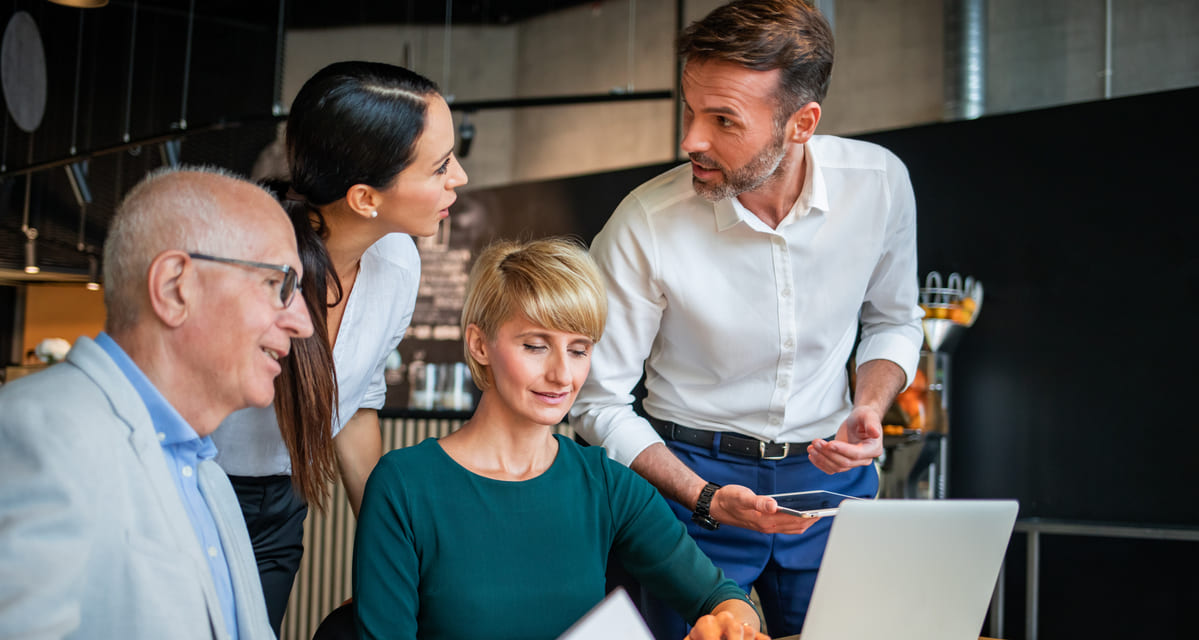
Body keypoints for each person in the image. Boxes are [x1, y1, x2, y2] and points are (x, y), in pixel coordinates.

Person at [568, 1, 925, 637]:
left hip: (829, 485)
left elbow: (893, 321)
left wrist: (871, 404)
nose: (690, 141)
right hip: (685, 486)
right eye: (690, 109)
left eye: (723, 120)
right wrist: (703, 496)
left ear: (801, 123)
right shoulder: (643, 222)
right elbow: (597, 403)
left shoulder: (881, 185)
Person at [352, 238, 769, 640]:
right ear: (480, 344)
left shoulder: (607, 484)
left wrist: (731, 623)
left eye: (579, 350)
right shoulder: (403, 486)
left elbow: (722, 597)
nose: (562, 375)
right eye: (535, 346)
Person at [0, 167, 313, 639]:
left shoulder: (206, 472)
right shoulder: (38, 431)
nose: (303, 322)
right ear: (174, 287)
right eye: (279, 284)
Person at [210, 61, 468, 632]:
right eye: (441, 165)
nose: (461, 178)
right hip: (192, 489)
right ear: (365, 197)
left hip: (280, 506)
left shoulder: (398, 260)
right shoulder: (244, 261)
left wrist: (388, 559)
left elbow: (354, 411)